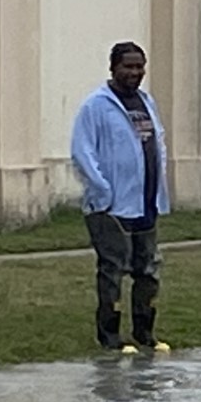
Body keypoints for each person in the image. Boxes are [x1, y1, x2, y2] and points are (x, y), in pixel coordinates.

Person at [72, 42, 172, 355]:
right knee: (113, 268)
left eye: (139, 66)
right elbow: (82, 151)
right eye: (128, 66)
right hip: (111, 206)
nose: (134, 73)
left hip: (145, 201)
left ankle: (145, 332)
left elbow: (158, 143)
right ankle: (110, 335)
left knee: (148, 269)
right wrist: (102, 189)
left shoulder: (146, 102)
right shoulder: (96, 106)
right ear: (113, 67)